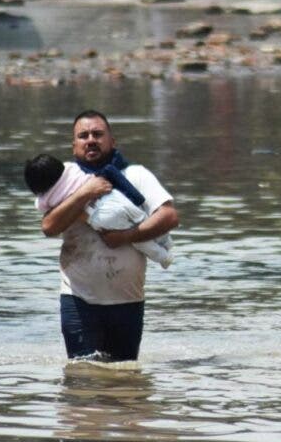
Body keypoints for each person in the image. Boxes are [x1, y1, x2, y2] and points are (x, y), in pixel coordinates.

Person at [40, 110, 179, 362]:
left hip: (128, 300)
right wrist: (85, 193)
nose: (91, 139)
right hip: (79, 299)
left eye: (98, 134)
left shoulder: (136, 175)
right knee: (83, 379)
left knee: (125, 383)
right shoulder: (63, 182)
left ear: (112, 142)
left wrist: (126, 236)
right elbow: (49, 226)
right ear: (74, 147)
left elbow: (169, 217)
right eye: (83, 136)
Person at [25, 153, 173, 268]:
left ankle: (164, 258)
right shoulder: (72, 169)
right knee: (142, 220)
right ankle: (167, 242)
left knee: (139, 241)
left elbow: (41, 207)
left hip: (99, 215)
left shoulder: (49, 198)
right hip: (114, 197)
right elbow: (48, 227)